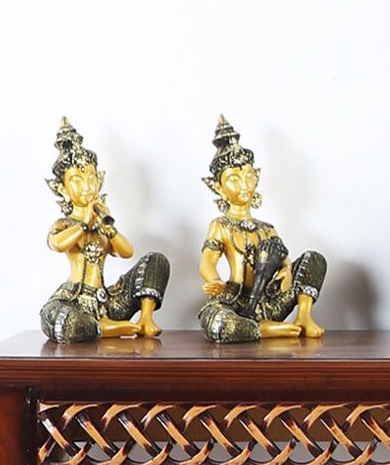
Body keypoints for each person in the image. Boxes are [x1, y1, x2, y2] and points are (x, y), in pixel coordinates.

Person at [197, 117, 327, 342]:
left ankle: (303, 316)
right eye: (234, 179)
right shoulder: (220, 225)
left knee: (314, 259)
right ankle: (264, 330)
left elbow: (284, 260)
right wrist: (215, 281)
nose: (244, 184)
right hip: (235, 301)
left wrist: (286, 270)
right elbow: (206, 262)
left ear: (256, 176)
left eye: (248, 176)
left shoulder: (267, 229)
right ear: (218, 187)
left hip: (269, 300)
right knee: (217, 323)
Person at [40, 119, 170, 342]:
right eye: (77, 181)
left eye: (91, 178)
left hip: (108, 302)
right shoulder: (64, 225)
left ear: (99, 181)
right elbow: (57, 244)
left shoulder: (102, 224)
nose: (87, 186)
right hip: (77, 301)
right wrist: (84, 224)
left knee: (156, 261)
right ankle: (105, 329)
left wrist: (108, 228)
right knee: (57, 320)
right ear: (61, 188)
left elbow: (127, 252)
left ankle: (145, 319)